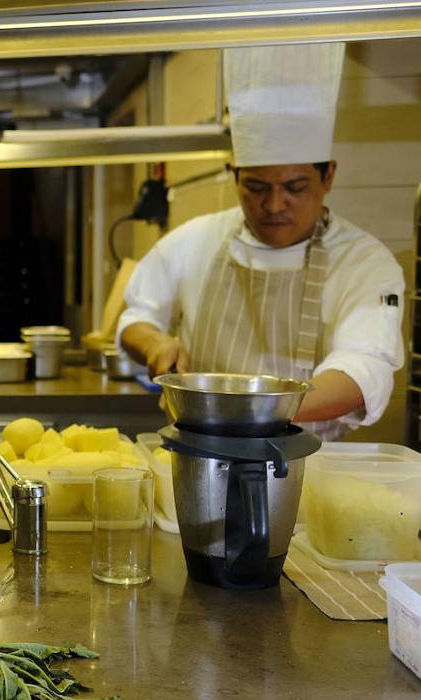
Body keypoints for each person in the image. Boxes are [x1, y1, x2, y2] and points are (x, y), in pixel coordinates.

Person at [118, 43, 404, 440]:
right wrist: (155, 343)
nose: (273, 205)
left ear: (328, 177)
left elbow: (364, 369)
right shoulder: (195, 240)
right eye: (255, 187)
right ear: (234, 175)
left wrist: (243, 409)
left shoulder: (364, 261)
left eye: (294, 187)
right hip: (198, 459)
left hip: (306, 469)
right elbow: (135, 318)